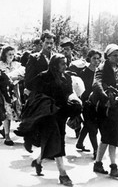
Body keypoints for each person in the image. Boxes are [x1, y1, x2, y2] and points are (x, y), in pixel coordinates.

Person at [18, 53, 82, 186]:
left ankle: (38, 161)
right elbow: (29, 90)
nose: (66, 66)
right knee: (56, 140)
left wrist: (75, 99)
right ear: (54, 64)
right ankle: (63, 174)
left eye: (66, 63)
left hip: (61, 113)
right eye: (62, 63)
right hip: (48, 114)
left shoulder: (67, 78)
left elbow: (69, 93)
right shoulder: (43, 76)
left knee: (55, 141)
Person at [92, 43, 118, 177]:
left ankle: (100, 164)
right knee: (108, 137)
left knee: (112, 137)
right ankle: (111, 166)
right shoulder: (102, 68)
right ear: (107, 56)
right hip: (105, 107)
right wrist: (105, 98)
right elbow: (96, 84)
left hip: (116, 108)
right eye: (115, 55)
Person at [76, 49, 102, 159]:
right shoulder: (84, 72)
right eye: (94, 58)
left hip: (96, 102)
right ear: (89, 59)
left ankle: (79, 143)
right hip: (86, 102)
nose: (96, 61)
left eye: (98, 59)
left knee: (88, 124)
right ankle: (96, 150)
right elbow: (80, 88)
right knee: (92, 127)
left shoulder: (100, 72)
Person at [0, 45, 25, 146]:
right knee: (6, 111)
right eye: (9, 54)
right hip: (3, 91)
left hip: (15, 90)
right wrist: (13, 78)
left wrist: (14, 78)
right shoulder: (0, 65)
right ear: (4, 54)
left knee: (17, 110)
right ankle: (7, 136)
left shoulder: (17, 65)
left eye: (13, 54)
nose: (11, 56)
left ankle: (5, 130)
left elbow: (22, 76)